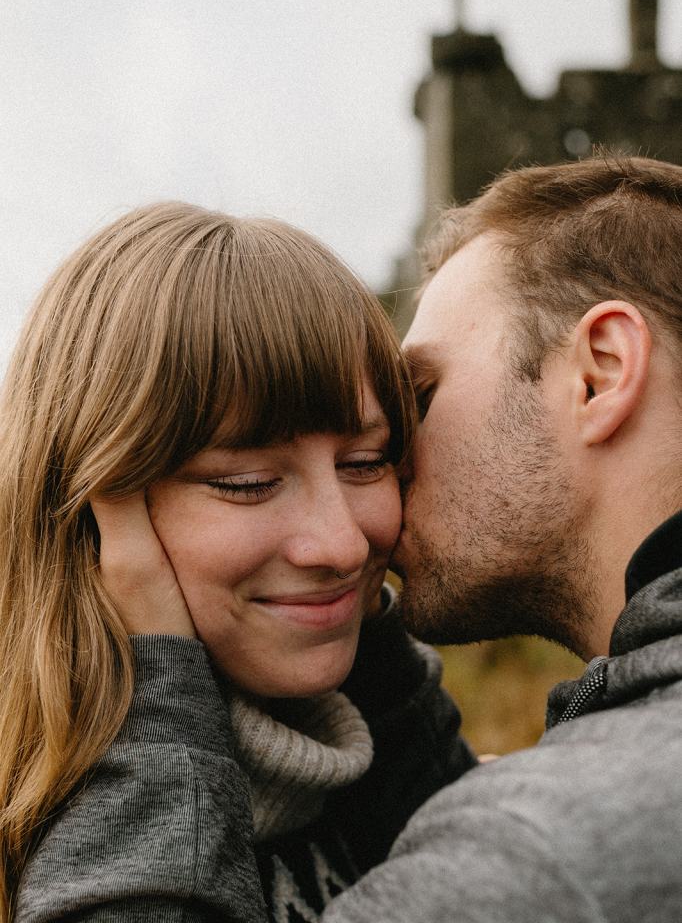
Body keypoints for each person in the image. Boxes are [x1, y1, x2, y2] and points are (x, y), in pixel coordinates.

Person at [0, 203, 475, 923]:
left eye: (366, 463)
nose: (343, 544)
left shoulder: (374, 755)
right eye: (248, 483)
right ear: (94, 509)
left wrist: (391, 683)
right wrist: (157, 693)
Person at [321, 154, 682, 923]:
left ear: (601, 372)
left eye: (420, 395)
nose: (384, 459)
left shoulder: (540, 852)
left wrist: (154, 702)